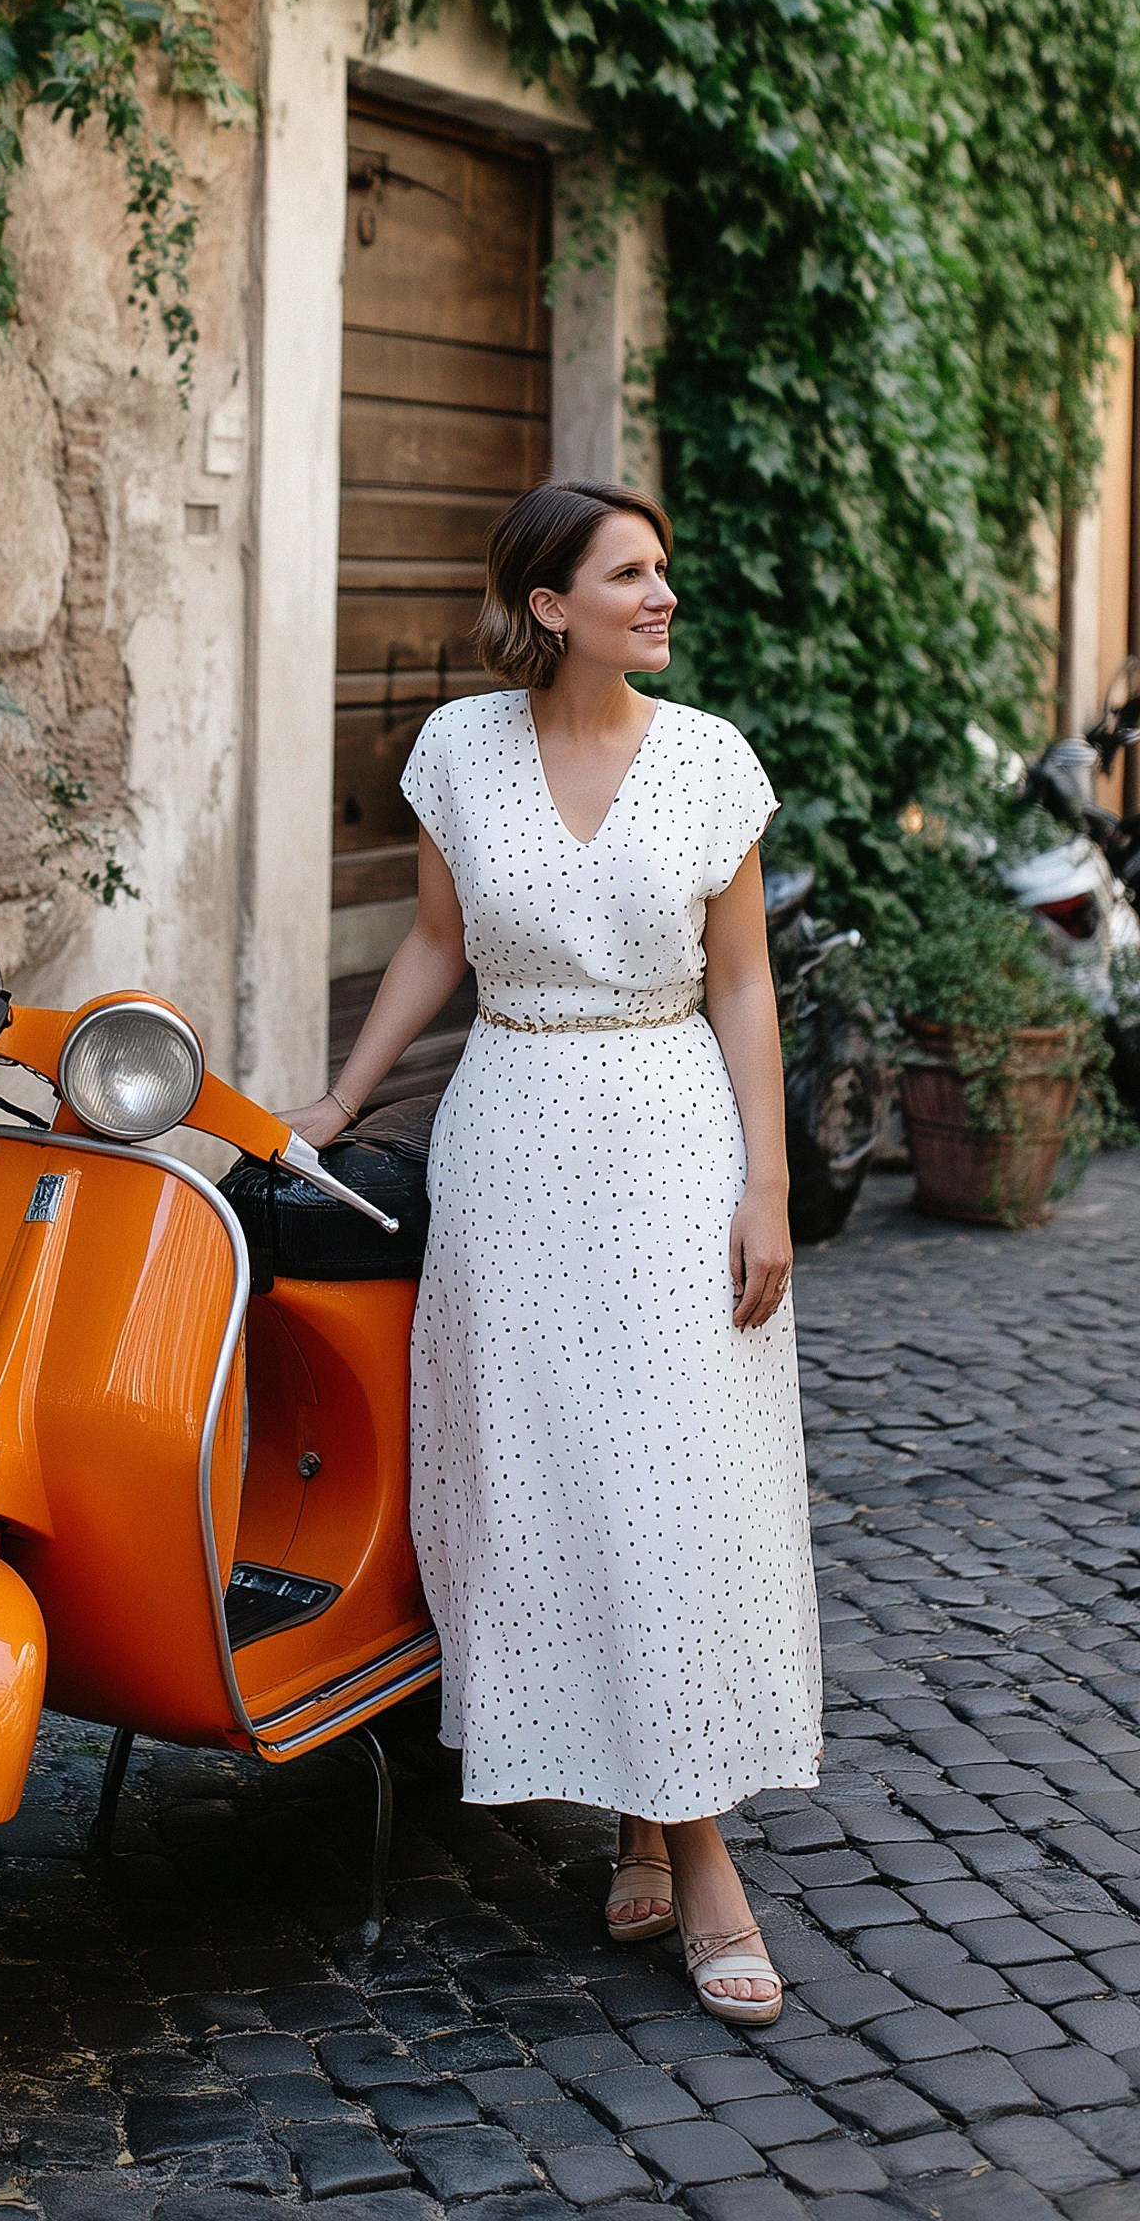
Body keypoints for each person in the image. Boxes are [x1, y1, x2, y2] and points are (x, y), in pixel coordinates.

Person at [289, 479, 822, 2025]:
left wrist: (769, 1186)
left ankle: (700, 1853)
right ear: (547, 604)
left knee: (679, 1493)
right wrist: (338, 1095)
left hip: (671, 1141)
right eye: (630, 572)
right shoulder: (457, 751)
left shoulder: (713, 762)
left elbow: (742, 991)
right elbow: (440, 945)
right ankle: (641, 1815)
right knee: (561, 1487)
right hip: (512, 1144)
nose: (662, 594)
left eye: (662, 567)